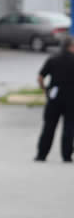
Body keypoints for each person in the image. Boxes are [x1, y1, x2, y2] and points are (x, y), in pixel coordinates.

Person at [35, 35, 74, 163]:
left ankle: (41, 154)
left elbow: (40, 77)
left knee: (49, 126)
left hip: (54, 98)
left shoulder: (53, 58)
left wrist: (45, 89)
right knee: (69, 127)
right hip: (71, 99)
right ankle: (66, 155)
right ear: (71, 46)